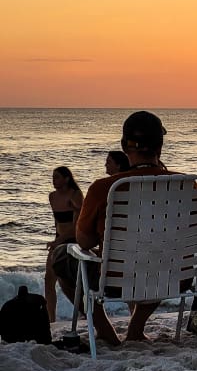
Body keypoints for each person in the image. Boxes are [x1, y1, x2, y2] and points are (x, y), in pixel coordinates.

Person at [52, 111, 177, 345]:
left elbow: (85, 243)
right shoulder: (187, 184)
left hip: (114, 280)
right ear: (160, 146)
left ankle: (105, 330)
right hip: (172, 276)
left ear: (124, 146)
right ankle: (136, 328)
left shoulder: (104, 188)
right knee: (160, 257)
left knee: (60, 257)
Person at [45, 166, 84, 322]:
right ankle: (51, 319)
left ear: (67, 179)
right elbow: (57, 223)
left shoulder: (75, 195)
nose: (54, 181)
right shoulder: (52, 197)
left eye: (57, 177)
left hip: (73, 241)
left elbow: (77, 227)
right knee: (49, 279)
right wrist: (56, 239)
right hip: (58, 239)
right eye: (53, 178)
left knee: (74, 282)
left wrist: (58, 241)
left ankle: (84, 311)